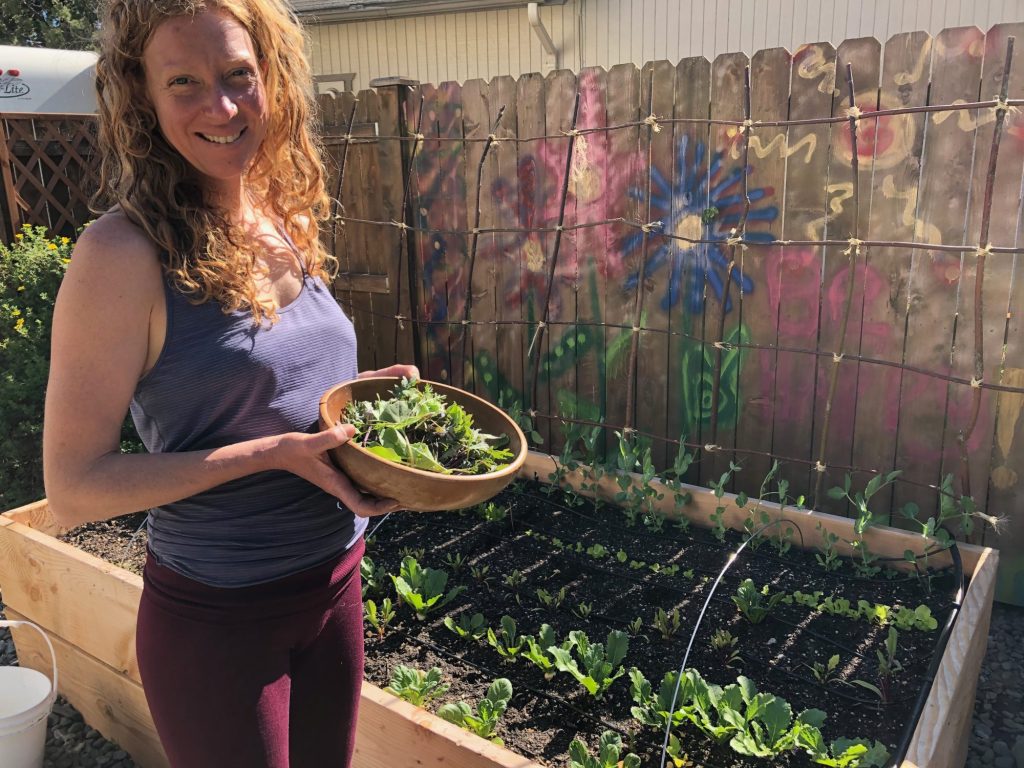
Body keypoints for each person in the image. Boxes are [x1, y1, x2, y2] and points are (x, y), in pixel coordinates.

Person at [42, 1, 416, 765]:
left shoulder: (279, 212)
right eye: (183, 82)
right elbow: (74, 487)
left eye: (238, 74)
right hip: (219, 622)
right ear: (141, 97)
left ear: (268, 77)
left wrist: (372, 400)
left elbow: (275, 387)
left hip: (336, 586)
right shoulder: (120, 255)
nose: (220, 105)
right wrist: (271, 454)